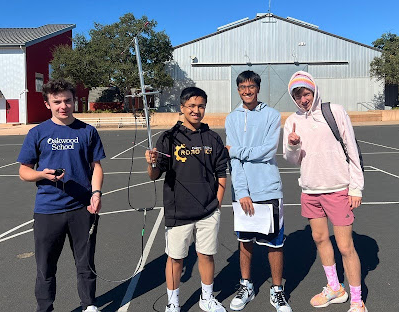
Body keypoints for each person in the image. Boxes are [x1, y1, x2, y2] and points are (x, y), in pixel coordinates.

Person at [282, 71, 368, 312]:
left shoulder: (334, 111)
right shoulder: (292, 121)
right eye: (298, 95)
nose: (303, 99)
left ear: (314, 91)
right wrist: (292, 144)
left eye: (306, 93)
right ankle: (334, 288)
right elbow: (291, 159)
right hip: (310, 190)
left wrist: (356, 187)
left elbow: (352, 148)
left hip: (338, 189)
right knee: (320, 239)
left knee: (345, 246)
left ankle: (356, 300)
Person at [18, 79, 106, 312]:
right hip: (48, 209)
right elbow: (23, 171)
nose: (63, 106)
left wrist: (96, 193)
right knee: (45, 266)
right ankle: (45, 308)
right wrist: (41, 174)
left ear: (74, 100)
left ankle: (89, 305)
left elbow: (96, 166)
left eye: (67, 100)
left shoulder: (88, 131)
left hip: (82, 208)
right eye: (57, 102)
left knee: (85, 262)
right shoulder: (37, 132)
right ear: (48, 104)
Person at [145, 87, 228, 312]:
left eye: (200, 106)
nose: (196, 110)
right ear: (182, 108)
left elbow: (222, 171)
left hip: (207, 210)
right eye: (191, 106)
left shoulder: (212, 138)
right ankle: (173, 302)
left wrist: (217, 202)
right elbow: (155, 174)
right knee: (175, 259)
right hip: (178, 210)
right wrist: (151, 162)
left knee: (206, 255)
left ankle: (207, 298)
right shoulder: (169, 138)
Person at [225, 70, 292, 312]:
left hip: (269, 189)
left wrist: (238, 150)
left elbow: (268, 151)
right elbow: (234, 162)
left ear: (258, 88)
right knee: (245, 241)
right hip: (244, 193)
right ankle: (246, 285)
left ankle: (277, 290)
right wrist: (241, 191)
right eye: (242, 87)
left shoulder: (273, 116)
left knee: (275, 244)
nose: (247, 90)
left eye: (251, 86)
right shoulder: (231, 118)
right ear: (238, 89)